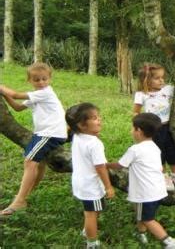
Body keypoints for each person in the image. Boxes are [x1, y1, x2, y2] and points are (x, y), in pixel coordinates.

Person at [107, 113, 175, 248]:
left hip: (145, 194)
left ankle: (169, 242)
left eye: (132, 128)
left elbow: (120, 166)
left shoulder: (135, 149)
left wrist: (106, 165)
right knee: (141, 212)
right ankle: (141, 234)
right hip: (157, 190)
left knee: (147, 219)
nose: (131, 131)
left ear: (139, 131)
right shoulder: (154, 147)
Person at [0, 62, 68, 216]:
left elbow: (16, 94)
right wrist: (5, 95)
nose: (41, 82)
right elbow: (18, 107)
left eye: (44, 79)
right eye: (37, 80)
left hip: (50, 134)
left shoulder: (46, 93)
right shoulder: (37, 95)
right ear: (29, 81)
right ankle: (25, 195)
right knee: (40, 163)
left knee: (29, 161)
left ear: (50, 79)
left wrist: (2, 88)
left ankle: (20, 201)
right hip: (45, 133)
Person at [133, 62, 175, 192]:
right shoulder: (141, 94)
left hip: (168, 127)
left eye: (163, 77)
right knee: (159, 153)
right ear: (146, 80)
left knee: (172, 151)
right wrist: (136, 128)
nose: (161, 80)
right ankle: (164, 176)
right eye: (157, 78)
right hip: (152, 129)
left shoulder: (167, 89)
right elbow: (136, 112)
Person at [65, 103, 115, 249]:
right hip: (91, 185)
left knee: (93, 210)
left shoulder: (77, 136)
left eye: (98, 117)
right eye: (94, 118)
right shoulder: (94, 144)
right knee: (91, 214)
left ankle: (87, 230)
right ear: (81, 125)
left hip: (80, 182)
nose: (99, 120)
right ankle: (92, 242)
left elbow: (71, 128)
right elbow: (100, 167)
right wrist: (108, 186)